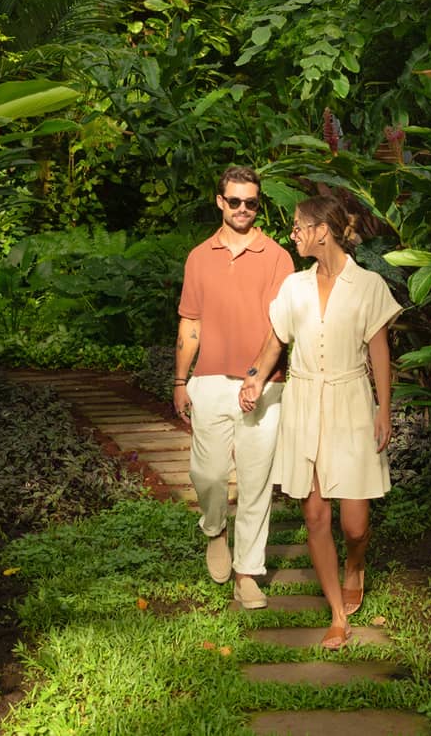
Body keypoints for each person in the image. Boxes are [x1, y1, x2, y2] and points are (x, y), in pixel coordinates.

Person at [239, 194, 403, 650]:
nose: (292, 234)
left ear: (322, 231)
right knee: (314, 515)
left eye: (298, 227)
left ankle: (355, 563)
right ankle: (336, 615)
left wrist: (383, 408)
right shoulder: (294, 287)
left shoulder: (368, 285)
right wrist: (255, 378)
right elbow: (275, 341)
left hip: (351, 403)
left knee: (354, 525)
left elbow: (379, 350)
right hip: (304, 403)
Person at [173, 166, 294, 609]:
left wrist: (257, 376)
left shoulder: (278, 257)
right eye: (236, 201)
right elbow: (190, 322)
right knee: (207, 475)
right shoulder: (198, 257)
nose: (244, 209)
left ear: (258, 204)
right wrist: (180, 379)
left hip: (263, 385)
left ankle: (248, 573)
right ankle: (214, 529)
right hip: (207, 380)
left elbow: (280, 327)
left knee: (256, 482)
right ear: (220, 202)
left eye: (252, 202)